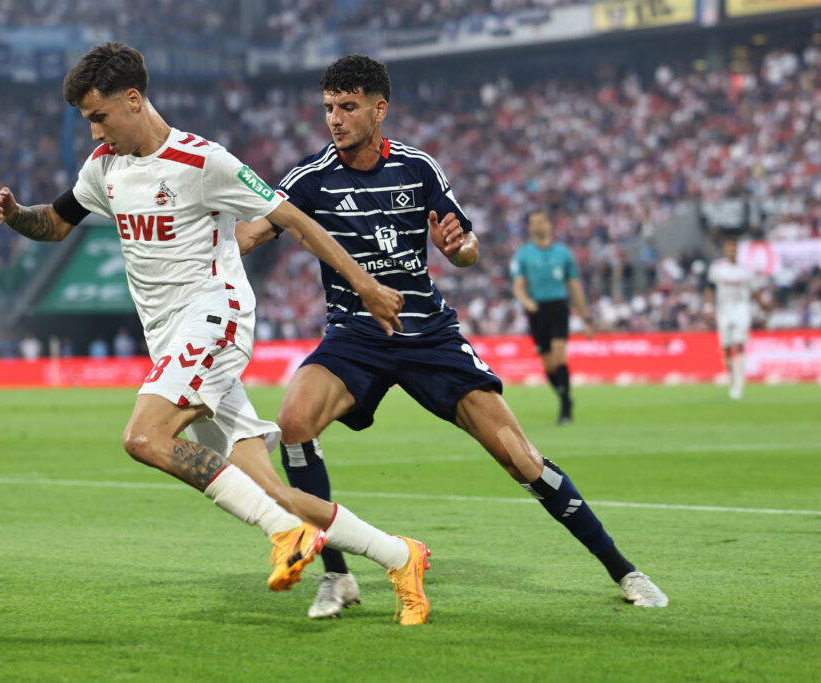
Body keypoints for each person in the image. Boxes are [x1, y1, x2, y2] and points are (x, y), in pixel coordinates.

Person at [0, 43, 431, 625]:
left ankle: (285, 534)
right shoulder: (104, 168)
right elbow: (56, 224)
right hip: (170, 338)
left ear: (134, 100)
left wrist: (364, 284)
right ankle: (400, 556)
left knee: (144, 437)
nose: (94, 131)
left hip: (215, 318)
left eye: (99, 116)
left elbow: (293, 218)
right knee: (270, 489)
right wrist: (14, 213)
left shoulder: (203, 161)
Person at [238, 54, 666, 619]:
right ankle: (336, 578)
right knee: (294, 421)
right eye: (328, 109)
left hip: (428, 336)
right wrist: (208, 230)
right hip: (356, 335)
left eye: (347, 107)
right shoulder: (309, 177)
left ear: (378, 108)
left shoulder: (419, 169)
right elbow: (252, 232)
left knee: (520, 458)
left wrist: (457, 250)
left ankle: (624, 570)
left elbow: (467, 249)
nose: (334, 120)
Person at [510, 209, 594, 424]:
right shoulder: (523, 255)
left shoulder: (563, 254)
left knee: (559, 355)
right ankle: (565, 396)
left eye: (541, 221)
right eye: (534, 223)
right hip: (537, 311)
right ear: (530, 228)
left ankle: (565, 407)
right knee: (548, 365)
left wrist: (585, 318)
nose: (538, 226)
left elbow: (574, 286)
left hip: (558, 307)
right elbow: (518, 286)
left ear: (548, 225)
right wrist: (527, 301)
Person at [704, 238, 764, 400]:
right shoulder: (717, 268)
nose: (731, 252)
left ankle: (739, 384)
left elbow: (755, 291)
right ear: (725, 251)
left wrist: (763, 310)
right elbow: (710, 287)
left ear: (737, 251)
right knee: (727, 349)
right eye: (728, 249)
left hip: (741, 310)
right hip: (723, 311)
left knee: (740, 345)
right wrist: (707, 304)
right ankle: (733, 378)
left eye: (734, 249)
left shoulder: (746, 271)